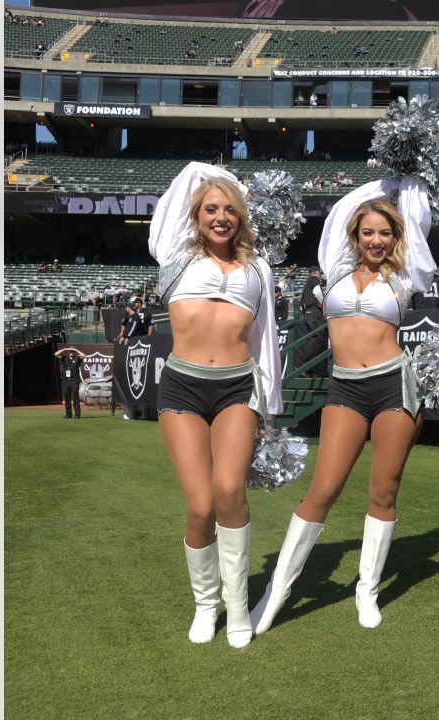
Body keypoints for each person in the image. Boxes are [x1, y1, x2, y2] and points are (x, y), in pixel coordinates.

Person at [250, 175, 435, 635]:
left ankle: (366, 591)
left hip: (396, 386)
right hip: (346, 389)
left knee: (383, 491)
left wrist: (404, 180)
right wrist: (381, 180)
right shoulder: (333, 268)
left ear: (397, 237)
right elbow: (339, 214)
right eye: (368, 231)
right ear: (354, 235)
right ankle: (275, 593)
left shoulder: (407, 274)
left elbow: (416, 213)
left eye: (386, 232)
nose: (377, 240)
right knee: (322, 489)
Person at [148, 162, 283, 649]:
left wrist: (271, 408)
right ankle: (206, 605)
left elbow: (265, 341)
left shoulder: (258, 269)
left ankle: (238, 603)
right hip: (182, 387)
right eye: (211, 208)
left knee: (230, 490)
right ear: (196, 215)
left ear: (242, 217)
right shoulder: (174, 254)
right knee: (201, 504)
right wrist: (225, 177)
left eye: (230, 209)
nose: (221, 217)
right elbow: (185, 174)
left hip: (237, 388)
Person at [297, 269, 328, 376]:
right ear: (316, 273)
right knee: (318, 337)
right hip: (314, 312)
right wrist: (325, 305)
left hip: (308, 313)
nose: (320, 276)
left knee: (314, 338)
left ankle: (309, 370)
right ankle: (303, 366)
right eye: (320, 274)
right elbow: (317, 292)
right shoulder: (314, 278)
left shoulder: (306, 286)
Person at [54, 346, 85, 419]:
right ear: (68, 352)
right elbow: (55, 354)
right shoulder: (65, 358)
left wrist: (75, 349)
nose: (71, 352)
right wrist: (64, 349)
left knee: (75, 397)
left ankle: (77, 414)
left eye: (72, 351)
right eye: (70, 351)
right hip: (66, 380)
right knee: (67, 398)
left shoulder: (77, 359)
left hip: (74, 380)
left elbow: (84, 355)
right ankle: (68, 414)